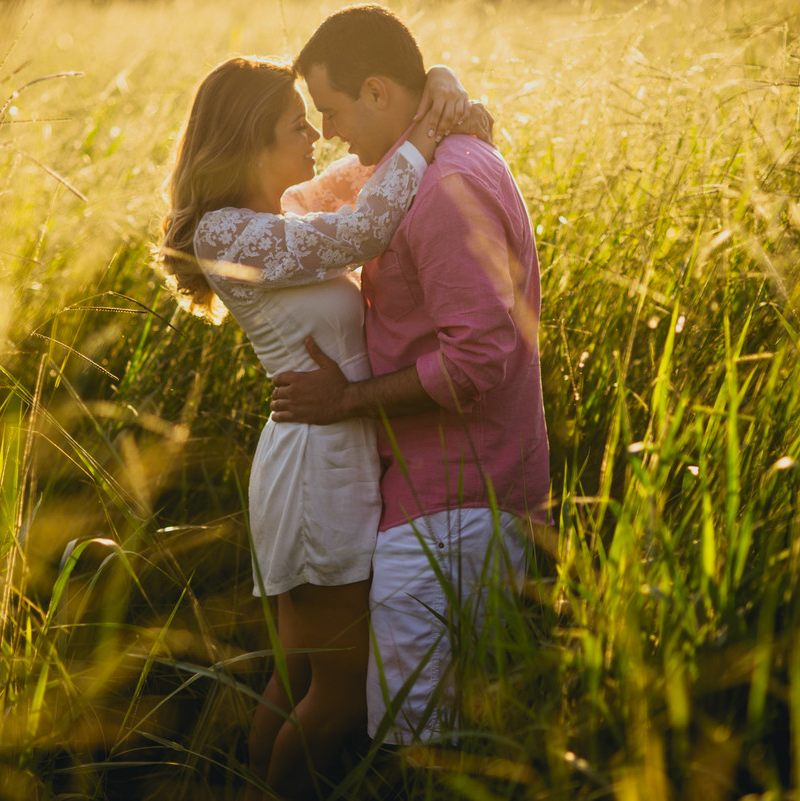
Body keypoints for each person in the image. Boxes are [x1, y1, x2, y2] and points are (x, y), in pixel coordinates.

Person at [158, 56, 489, 799]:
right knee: (337, 697)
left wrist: (438, 84)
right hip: (317, 468)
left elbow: (369, 175)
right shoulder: (229, 235)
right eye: (294, 126)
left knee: (300, 675)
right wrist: (432, 123)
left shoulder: (274, 217)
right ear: (248, 141)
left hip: (323, 451)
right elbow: (370, 226)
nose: (315, 136)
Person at [270, 4, 551, 746]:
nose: (327, 131)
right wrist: (443, 85)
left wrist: (346, 401)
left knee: (417, 741)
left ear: (377, 92)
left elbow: (476, 361)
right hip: (441, 496)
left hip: (457, 507)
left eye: (330, 111)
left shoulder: (444, 192)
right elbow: (293, 206)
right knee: (471, 733)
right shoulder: (399, 172)